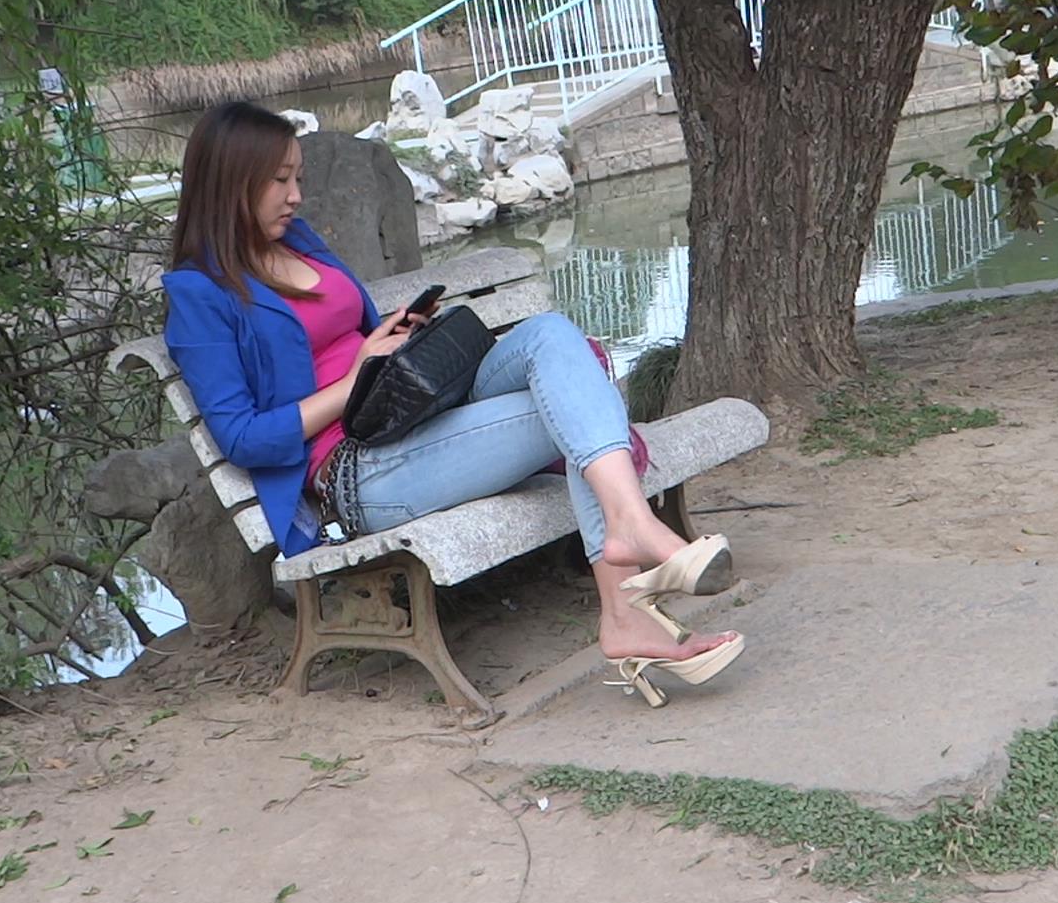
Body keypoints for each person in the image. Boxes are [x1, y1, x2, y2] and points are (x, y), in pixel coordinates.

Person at [160, 102, 746, 707]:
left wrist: (385, 339)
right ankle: (628, 585)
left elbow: (339, 340)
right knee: (574, 408)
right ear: (232, 182)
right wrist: (356, 377)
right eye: (279, 180)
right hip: (360, 471)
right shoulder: (200, 296)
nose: (296, 196)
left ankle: (627, 560)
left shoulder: (298, 243)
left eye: (298, 177)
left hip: (408, 414)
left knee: (549, 336)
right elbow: (243, 438)